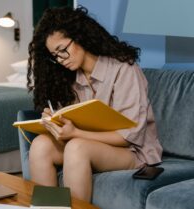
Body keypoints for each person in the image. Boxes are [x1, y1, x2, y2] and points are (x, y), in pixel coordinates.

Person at [26, 6, 163, 202]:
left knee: (76, 147)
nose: (60, 59)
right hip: (93, 144)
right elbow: (81, 123)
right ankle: (49, 208)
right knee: (40, 145)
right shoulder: (74, 79)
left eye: (62, 50)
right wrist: (57, 122)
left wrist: (75, 133)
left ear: (80, 37)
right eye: (55, 56)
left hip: (134, 151)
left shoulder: (124, 69)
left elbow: (129, 136)